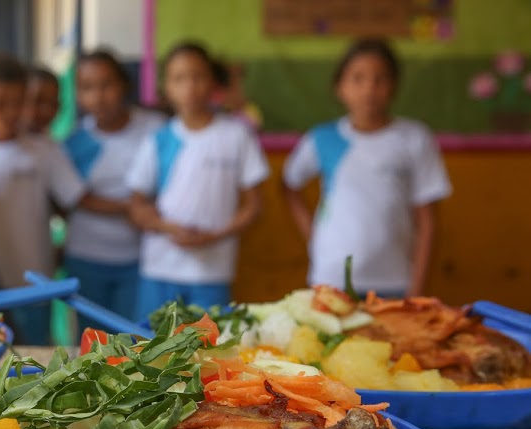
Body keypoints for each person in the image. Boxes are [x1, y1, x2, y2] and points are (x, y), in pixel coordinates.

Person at [283, 39, 451, 298]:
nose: (370, 88)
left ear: (394, 85)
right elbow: (289, 185)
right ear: (340, 87)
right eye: (358, 78)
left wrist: (417, 289)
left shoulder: (414, 138)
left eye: (380, 79)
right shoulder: (321, 138)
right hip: (331, 278)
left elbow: (427, 220)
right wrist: (312, 234)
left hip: (395, 280)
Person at [127, 42, 268, 320]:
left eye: (198, 76)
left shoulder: (236, 135)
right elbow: (135, 206)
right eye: (179, 78)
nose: (190, 86)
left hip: (212, 271)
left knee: (210, 354)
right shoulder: (157, 139)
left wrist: (215, 235)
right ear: (167, 88)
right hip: (160, 270)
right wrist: (166, 227)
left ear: (213, 81)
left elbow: (254, 204)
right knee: (149, 351)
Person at [0, 54, 88, 345]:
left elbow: (74, 199)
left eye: (19, 102)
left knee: (34, 359)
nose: (12, 112)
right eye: (1, 103)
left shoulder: (45, 149)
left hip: (34, 282)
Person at [63, 49, 165, 331]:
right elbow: (75, 199)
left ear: (124, 86)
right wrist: (131, 208)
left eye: (106, 85)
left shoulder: (154, 129)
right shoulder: (75, 142)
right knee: (92, 342)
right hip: (86, 259)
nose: (98, 96)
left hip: (138, 259)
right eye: (87, 88)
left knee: (134, 341)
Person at [23, 66, 61, 136]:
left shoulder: (57, 146)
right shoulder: (2, 143)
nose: (46, 110)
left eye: (52, 103)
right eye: (38, 101)